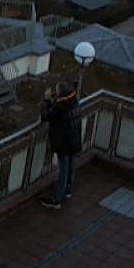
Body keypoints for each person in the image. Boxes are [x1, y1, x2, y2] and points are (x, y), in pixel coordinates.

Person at [39, 82, 81, 210]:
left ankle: (56, 199)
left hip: (63, 143)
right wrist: (54, 102)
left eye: (56, 92)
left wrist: (46, 101)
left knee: (63, 168)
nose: (55, 94)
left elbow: (46, 116)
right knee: (71, 164)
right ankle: (67, 190)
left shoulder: (60, 107)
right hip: (74, 140)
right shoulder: (74, 102)